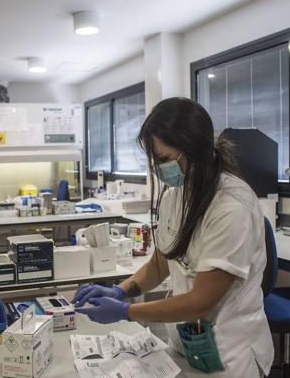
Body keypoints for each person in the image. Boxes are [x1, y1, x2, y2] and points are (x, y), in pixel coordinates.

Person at [73, 98, 273, 377]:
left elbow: (202, 300)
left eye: (165, 159)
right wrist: (122, 290)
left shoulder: (231, 205)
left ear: (194, 149)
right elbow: (162, 262)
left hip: (231, 354)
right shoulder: (175, 194)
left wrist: (124, 312)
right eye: (155, 160)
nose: (159, 169)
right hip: (187, 346)